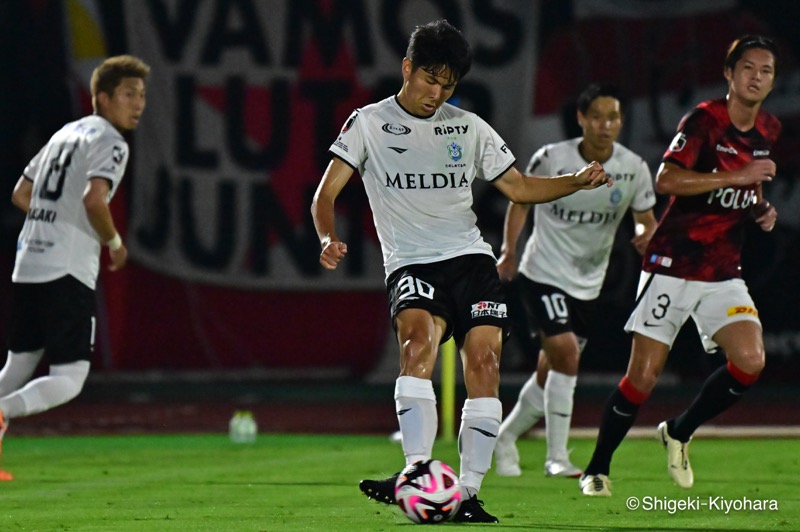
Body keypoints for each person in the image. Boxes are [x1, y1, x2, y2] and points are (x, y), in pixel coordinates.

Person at [311, 19, 610, 523]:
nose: (437, 92)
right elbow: (325, 194)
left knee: (486, 364)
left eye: (448, 84)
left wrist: (574, 182)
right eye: (430, 78)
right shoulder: (367, 123)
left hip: (470, 259)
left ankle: (467, 493)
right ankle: (417, 473)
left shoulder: (467, 127)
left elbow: (518, 188)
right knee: (416, 346)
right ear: (407, 68)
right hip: (410, 260)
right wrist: (326, 237)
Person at [579, 34, 781, 496]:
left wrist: (759, 210)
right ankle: (598, 468)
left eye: (766, 71)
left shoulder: (769, 130)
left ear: (772, 82)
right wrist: (739, 176)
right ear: (729, 74)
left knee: (750, 361)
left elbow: (751, 190)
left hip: (723, 269)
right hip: (673, 262)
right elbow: (666, 178)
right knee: (643, 376)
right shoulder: (704, 120)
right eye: (747, 68)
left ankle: (679, 431)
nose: (756, 77)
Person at [493, 83, 657, 478]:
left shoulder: (633, 167)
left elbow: (645, 217)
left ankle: (504, 437)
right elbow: (521, 199)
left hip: (588, 282)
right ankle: (556, 457)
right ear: (582, 118)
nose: (606, 125)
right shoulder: (552, 158)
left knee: (551, 369)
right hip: (542, 273)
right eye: (597, 117)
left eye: (613, 117)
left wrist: (644, 234)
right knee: (567, 353)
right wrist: (509, 250)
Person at [0, 55, 149, 480]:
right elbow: (93, 199)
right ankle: (2, 412)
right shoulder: (111, 141)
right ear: (101, 97)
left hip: (28, 260)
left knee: (18, 367)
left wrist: (53, 219)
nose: (137, 104)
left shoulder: (65, 133)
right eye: (127, 95)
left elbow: (21, 193)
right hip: (65, 268)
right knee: (69, 379)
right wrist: (114, 244)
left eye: (141, 96)